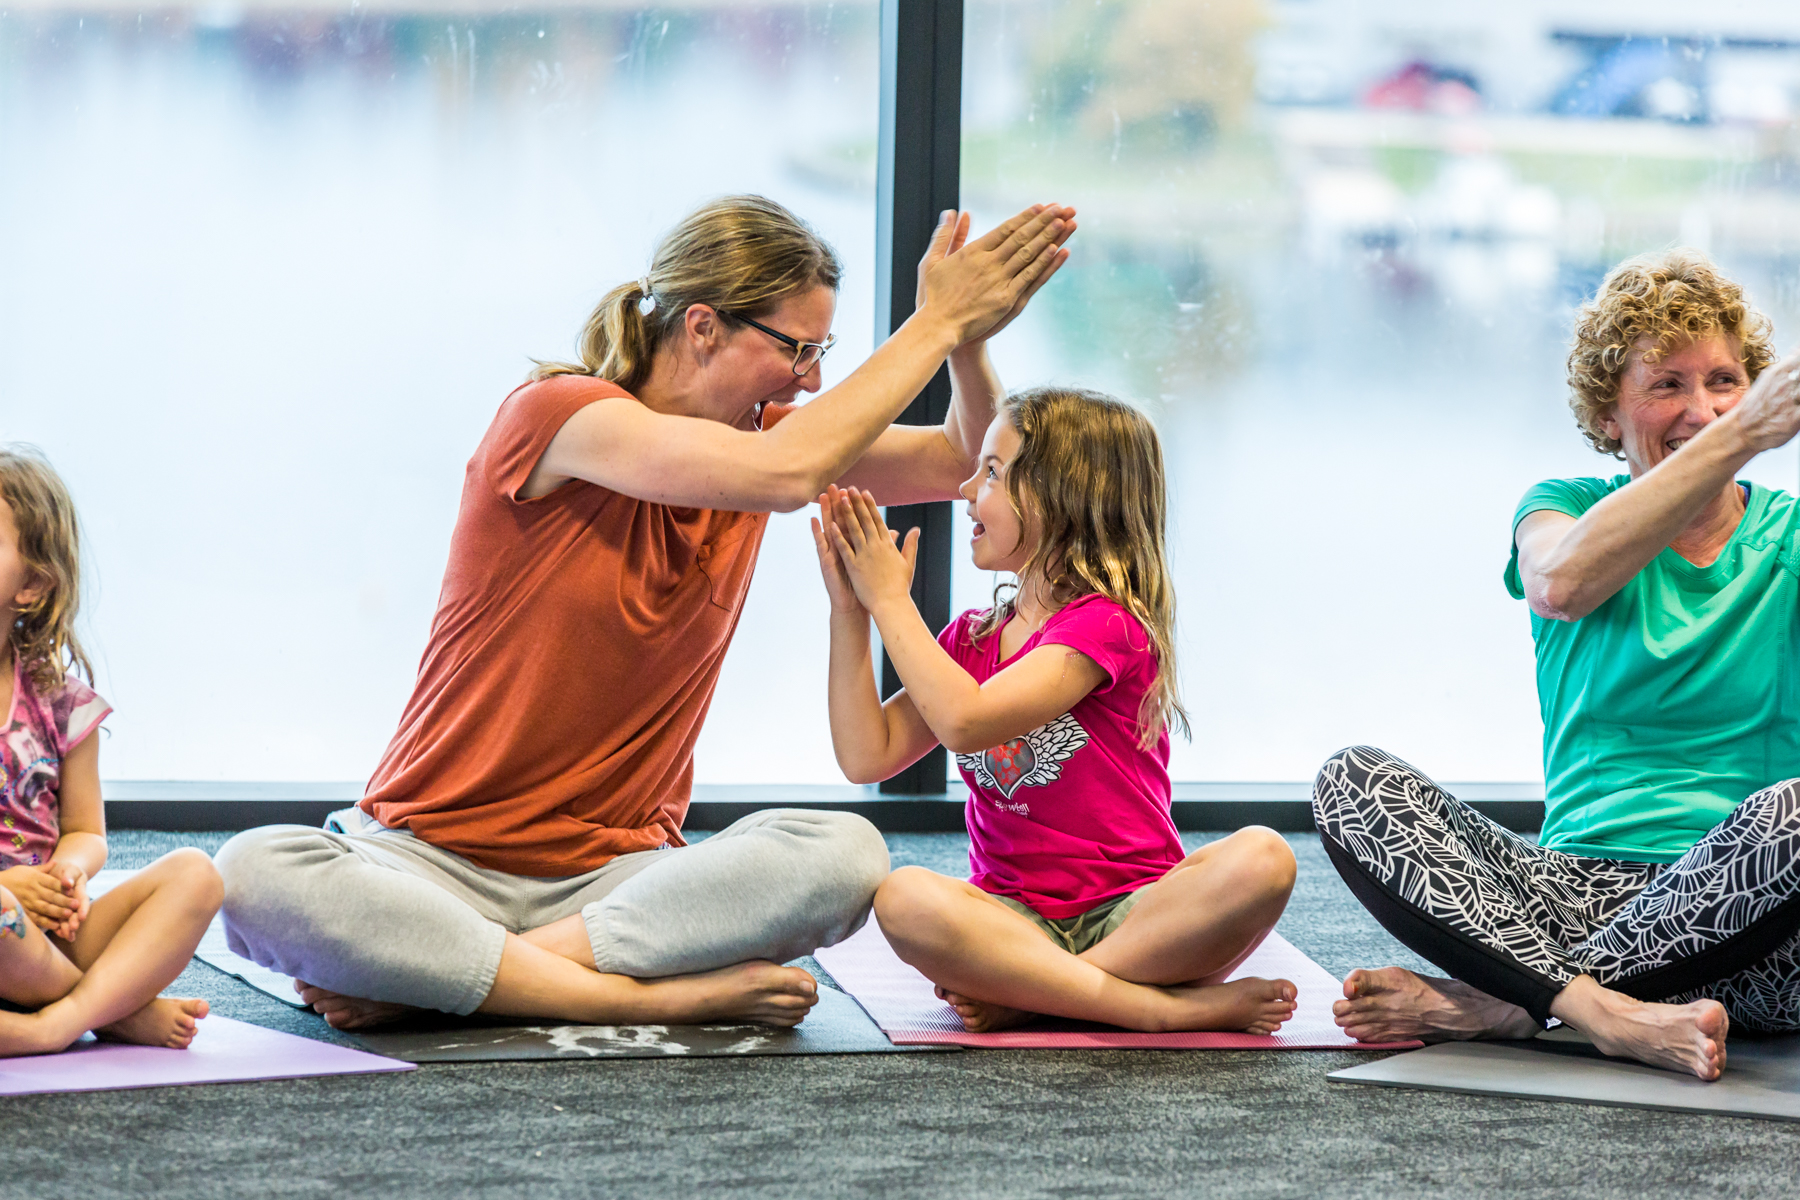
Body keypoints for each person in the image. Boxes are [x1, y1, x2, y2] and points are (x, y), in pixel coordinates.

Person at [217, 195, 1076, 1030]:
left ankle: (452, 976)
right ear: (702, 326)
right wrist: (929, 325)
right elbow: (786, 476)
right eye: (796, 348)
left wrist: (963, 333)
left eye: (825, 350)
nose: (812, 376)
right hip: (426, 863)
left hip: (616, 882)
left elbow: (961, 458)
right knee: (251, 874)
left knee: (845, 856)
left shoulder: (766, 436)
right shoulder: (560, 417)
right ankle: (631, 993)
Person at [1314, 249, 1800, 1079]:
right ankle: (1603, 1012)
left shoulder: (1788, 533)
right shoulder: (1563, 508)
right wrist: (1747, 433)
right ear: (1609, 416)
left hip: (1753, 928)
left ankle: (1513, 1005)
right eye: (1667, 386)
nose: (1705, 410)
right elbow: (1561, 583)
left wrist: (1515, 988)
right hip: (1567, 897)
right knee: (1352, 780)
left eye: (1725, 382)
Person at [814, 387, 1298, 1033]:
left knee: (1266, 858)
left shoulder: (1109, 625)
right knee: (902, 899)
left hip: (1135, 916)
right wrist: (852, 612)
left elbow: (968, 719)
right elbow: (865, 754)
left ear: (1061, 496)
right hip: (1015, 926)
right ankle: (1142, 1005)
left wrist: (892, 603)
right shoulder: (972, 639)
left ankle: (1042, 994)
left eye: (991, 472)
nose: (965, 490)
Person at [0, 446, 221, 1055]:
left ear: (33, 583)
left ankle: (54, 1022)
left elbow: (85, 831)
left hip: (50, 932)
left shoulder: (63, 704)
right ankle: (112, 1012)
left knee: (198, 876)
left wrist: (65, 871)